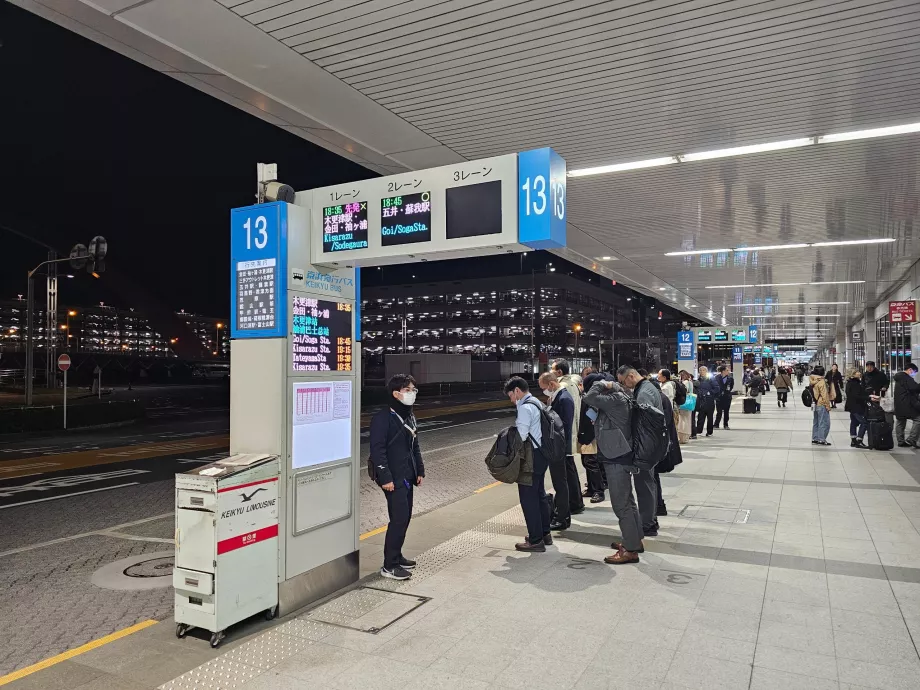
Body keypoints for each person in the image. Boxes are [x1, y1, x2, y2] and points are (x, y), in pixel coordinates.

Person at [369, 374, 425, 580]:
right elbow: (377, 450)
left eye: (413, 390)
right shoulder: (383, 419)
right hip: (392, 478)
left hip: (407, 476)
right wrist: (385, 478)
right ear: (396, 393)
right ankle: (389, 566)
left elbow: (415, 446)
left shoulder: (409, 416)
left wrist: (420, 470)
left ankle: (397, 556)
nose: (412, 394)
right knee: (399, 519)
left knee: (404, 517)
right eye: (408, 390)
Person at [584, 378, 644, 564]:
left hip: (616, 457)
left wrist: (602, 384)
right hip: (619, 453)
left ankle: (631, 550)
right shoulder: (620, 397)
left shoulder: (615, 398)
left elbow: (589, 398)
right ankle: (634, 540)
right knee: (628, 501)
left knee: (621, 504)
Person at [505, 377, 552, 552]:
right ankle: (545, 534)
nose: (511, 399)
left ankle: (535, 540)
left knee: (528, 499)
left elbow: (521, 436)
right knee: (539, 495)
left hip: (531, 458)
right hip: (542, 455)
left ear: (517, 391)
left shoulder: (525, 407)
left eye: (511, 395)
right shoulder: (537, 403)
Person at [617, 365, 663, 537]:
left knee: (644, 485)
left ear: (630, 376)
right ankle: (651, 519)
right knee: (648, 483)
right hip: (649, 445)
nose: (624, 386)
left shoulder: (643, 393)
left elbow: (644, 423)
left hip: (645, 446)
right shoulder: (648, 387)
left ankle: (647, 524)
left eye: (623, 382)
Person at [539, 371, 583, 529]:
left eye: (544, 388)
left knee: (561, 483)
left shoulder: (564, 399)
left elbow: (562, 427)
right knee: (560, 482)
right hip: (557, 448)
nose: (544, 391)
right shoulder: (558, 397)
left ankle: (562, 518)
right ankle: (561, 515)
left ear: (551, 384)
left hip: (559, 448)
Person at [551, 359, 585, 517]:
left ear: (559, 372)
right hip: (570, 432)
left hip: (564, 435)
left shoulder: (563, 387)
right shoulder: (573, 383)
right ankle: (576, 501)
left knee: (566, 472)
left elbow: (561, 415)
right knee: (569, 468)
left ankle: (573, 503)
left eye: (552, 370)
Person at [579, 372, 609, 503]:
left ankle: (598, 491)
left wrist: (587, 436)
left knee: (591, 463)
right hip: (588, 435)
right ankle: (591, 488)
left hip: (592, 436)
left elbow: (592, 419)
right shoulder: (593, 397)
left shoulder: (594, 399)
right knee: (587, 462)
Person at [893, 362, 920, 448]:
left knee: (900, 421)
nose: (914, 374)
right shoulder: (906, 378)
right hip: (907, 403)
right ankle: (912, 439)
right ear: (910, 370)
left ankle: (901, 441)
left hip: (899, 404)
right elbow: (914, 388)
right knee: (918, 419)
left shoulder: (899, 377)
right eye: (914, 372)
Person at [844, 368, 870, 448]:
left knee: (854, 422)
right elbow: (856, 396)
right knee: (864, 422)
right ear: (853, 374)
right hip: (856, 406)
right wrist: (868, 397)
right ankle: (859, 440)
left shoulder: (850, 383)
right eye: (857, 372)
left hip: (851, 406)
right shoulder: (855, 383)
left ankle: (853, 440)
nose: (859, 373)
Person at [694, 366, 720, 437]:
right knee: (700, 416)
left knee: (710, 417)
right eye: (700, 370)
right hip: (701, 401)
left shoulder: (711, 379)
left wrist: (710, 393)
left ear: (706, 371)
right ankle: (699, 431)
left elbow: (717, 388)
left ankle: (709, 432)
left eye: (703, 370)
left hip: (709, 401)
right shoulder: (698, 380)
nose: (702, 372)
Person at [810, 366, 832, 445]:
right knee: (824, 422)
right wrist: (827, 405)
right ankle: (822, 439)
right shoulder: (821, 381)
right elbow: (824, 395)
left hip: (815, 403)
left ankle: (815, 438)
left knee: (816, 422)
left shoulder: (812, 380)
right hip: (821, 403)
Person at [713, 365, 735, 429]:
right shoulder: (716, 378)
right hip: (719, 397)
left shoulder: (730, 378)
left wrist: (727, 392)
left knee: (726, 411)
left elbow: (731, 387)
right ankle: (716, 424)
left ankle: (726, 424)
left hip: (727, 397)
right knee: (719, 411)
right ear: (723, 371)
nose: (728, 372)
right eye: (727, 370)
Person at [677, 370, 694, 443]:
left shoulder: (685, 383)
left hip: (684, 403)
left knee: (683, 420)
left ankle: (683, 437)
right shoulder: (690, 382)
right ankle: (686, 436)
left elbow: (684, 392)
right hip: (689, 403)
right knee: (687, 419)